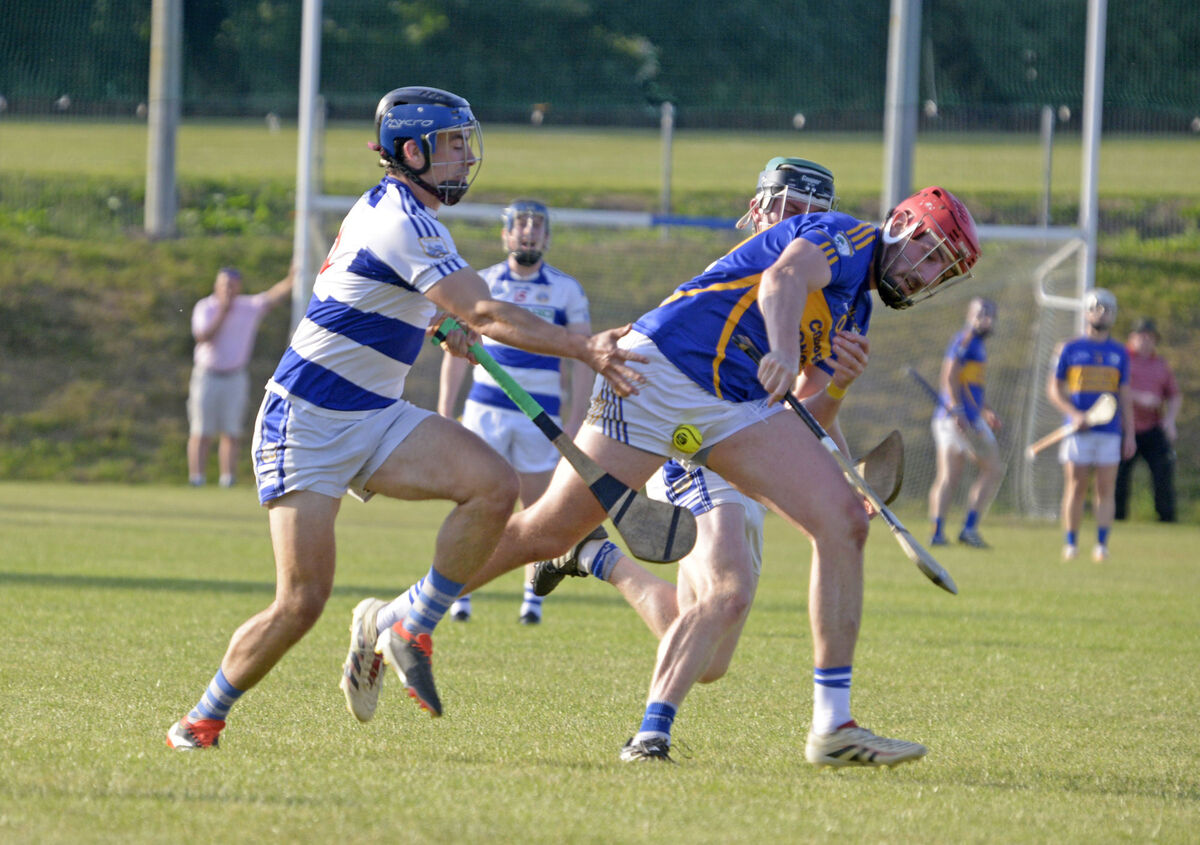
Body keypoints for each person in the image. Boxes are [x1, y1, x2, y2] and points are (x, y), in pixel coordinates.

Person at [348, 180, 982, 767]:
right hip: (656, 372)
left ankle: (833, 727)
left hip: (729, 409)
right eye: (928, 254)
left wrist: (836, 386)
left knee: (842, 521)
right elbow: (781, 282)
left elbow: (804, 415)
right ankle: (399, 615)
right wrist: (787, 350)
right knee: (545, 531)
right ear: (901, 225)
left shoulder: (856, 314)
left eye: (939, 273)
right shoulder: (846, 236)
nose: (924, 274)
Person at [165, 86, 647, 750]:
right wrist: (581, 346)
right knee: (302, 602)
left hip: (375, 414)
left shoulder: (406, 216)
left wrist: (436, 321)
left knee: (494, 485)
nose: (464, 156)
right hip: (304, 420)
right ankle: (201, 718)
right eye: (452, 144)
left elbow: (387, 297)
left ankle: (406, 624)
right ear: (412, 151)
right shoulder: (404, 222)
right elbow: (483, 312)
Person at [528, 157, 871, 761]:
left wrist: (839, 436)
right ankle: (650, 736)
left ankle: (592, 555)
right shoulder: (737, 279)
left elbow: (805, 415)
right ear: (760, 209)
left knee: (709, 653)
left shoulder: (842, 296)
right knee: (727, 594)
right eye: (791, 209)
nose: (802, 223)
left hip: (751, 445)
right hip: (693, 442)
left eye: (815, 214)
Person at [438, 199, 593, 624]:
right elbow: (456, 349)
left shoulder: (566, 289)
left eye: (537, 225)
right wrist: (444, 408)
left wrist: (578, 417)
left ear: (547, 236)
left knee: (538, 506)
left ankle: (531, 599)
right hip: (484, 409)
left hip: (540, 416)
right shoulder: (482, 282)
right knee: (473, 501)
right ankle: (459, 594)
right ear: (506, 234)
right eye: (520, 224)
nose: (528, 231)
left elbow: (582, 358)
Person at [1047, 288, 1136, 563]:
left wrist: (1129, 434)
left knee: (1105, 489)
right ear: (1086, 312)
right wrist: (1074, 414)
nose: (1101, 313)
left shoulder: (1119, 353)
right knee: (1075, 486)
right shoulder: (1069, 348)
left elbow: (1125, 395)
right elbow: (1053, 389)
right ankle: (1071, 545)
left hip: (1109, 433)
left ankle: (1101, 546)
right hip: (1077, 432)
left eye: (1107, 309)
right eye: (1096, 308)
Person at [187, 265, 294, 487]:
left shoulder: (248, 307)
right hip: (207, 374)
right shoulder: (205, 307)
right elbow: (203, 336)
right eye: (225, 284)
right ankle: (196, 478)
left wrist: (293, 276)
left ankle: (228, 478)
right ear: (216, 285)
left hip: (235, 375)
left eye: (233, 285)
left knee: (231, 431)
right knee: (201, 430)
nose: (228, 289)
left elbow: (273, 296)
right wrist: (223, 311)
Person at [928, 297, 1005, 548]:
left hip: (970, 418)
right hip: (954, 419)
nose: (987, 319)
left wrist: (986, 410)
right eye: (981, 314)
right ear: (969, 315)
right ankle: (945, 531)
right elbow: (948, 376)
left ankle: (963, 529)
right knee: (956, 473)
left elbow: (969, 385)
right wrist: (956, 408)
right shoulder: (965, 340)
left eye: (990, 314)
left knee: (983, 470)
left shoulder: (979, 346)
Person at [1115, 317, 1180, 523]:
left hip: (1152, 428)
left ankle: (1166, 519)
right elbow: (1113, 389)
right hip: (1125, 428)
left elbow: (1175, 395)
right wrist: (1139, 397)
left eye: (1150, 337)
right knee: (1118, 477)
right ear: (1131, 338)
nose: (1146, 341)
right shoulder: (1121, 359)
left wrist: (1170, 420)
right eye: (1141, 336)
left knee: (1163, 472)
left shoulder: (1160, 364)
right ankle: (1117, 518)